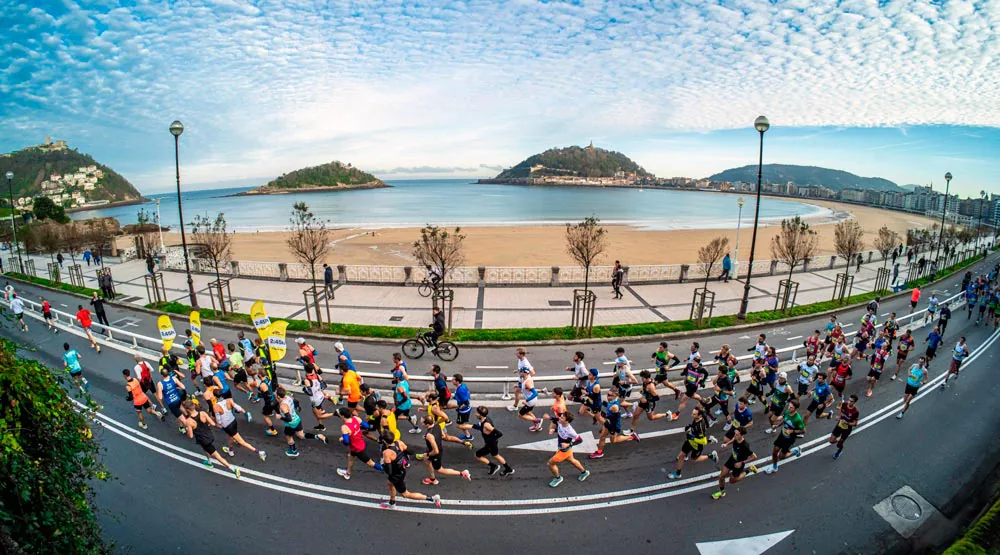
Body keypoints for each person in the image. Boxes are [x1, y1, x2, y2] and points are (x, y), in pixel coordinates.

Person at [378, 429, 442, 509]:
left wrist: (382, 464)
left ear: (384, 441)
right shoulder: (399, 442)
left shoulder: (387, 452)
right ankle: (392, 502)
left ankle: (432, 498)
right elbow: (409, 451)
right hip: (402, 470)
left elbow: (389, 471)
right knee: (390, 484)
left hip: (396, 475)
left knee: (406, 494)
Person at [181, 400, 240, 478]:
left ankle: (233, 469)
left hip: (203, 440)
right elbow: (212, 423)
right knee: (205, 449)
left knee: (217, 456)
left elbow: (191, 436)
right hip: (209, 435)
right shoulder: (202, 413)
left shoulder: (189, 421)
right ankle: (209, 461)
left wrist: (188, 430)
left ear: (187, 410)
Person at [415, 415, 471, 485]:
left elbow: (436, 451)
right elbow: (443, 436)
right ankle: (432, 478)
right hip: (435, 449)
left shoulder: (429, 435)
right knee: (426, 460)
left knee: (440, 470)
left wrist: (427, 454)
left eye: (422, 422)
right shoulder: (437, 425)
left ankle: (462, 473)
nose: (421, 423)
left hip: (435, 453)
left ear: (427, 424)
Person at [667, 407, 718, 479]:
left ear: (699, 415)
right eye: (692, 413)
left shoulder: (700, 426)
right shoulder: (696, 419)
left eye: (694, 414)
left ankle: (711, 456)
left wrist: (693, 438)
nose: (692, 415)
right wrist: (690, 426)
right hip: (689, 442)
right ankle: (678, 473)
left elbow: (703, 441)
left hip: (696, 446)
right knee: (681, 456)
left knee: (694, 459)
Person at [276, 385, 327, 457]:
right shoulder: (288, 397)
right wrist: (297, 407)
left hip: (290, 424)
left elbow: (289, 419)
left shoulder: (283, 406)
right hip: (297, 420)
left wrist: (280, 417)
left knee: (289, 437)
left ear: (278, 396)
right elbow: (296, 401)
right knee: (301, 435)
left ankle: (293, 451)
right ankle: (317, 436)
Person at [214, 395, 267, 462]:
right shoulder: (229, 400)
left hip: (228, 426)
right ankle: (230, 450)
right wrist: (245, 413)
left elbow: (219, 421)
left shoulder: (216, 406)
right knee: (230, 437)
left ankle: (259, 452)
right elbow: (238, 408)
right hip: (233, 421)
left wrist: (218, 425)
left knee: (242, 442)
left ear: (215, 397)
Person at [711, 426, 757, 500]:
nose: (734, 435)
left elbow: (754, 457)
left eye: (737, 434)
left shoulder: (745, 446)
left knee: (732, 481)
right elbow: (733, 439)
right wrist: (727, 444)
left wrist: (741, 462)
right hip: (732, 459)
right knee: (721, 476)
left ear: (741, 435)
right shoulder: (736, 438)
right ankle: (722, 492)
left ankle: (748, 470)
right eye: (735, 434)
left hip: (739, 464)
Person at [546, 412, 590, 487]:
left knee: (550, 463)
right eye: (561, 416)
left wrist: (568, 444)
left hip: (564, 451)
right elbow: (557, 420)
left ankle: (558, 478)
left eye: (562, 418)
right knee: (572, 460)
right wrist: (553, 428)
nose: (560, 418)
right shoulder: (560, 422)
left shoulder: (570, 431)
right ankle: (584, 472)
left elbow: (580, 440)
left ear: (567, 421)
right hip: (564, 449)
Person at [471, 406, 514, 477]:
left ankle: (493, 466)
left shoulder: (486, 424)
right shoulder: (485, 419)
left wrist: (490, 441)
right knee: (496, 455)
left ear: (480, 415)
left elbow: (499, 433)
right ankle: (508, 469)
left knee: (477, 455)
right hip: (492, 444)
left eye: (477, 413)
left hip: (490, 445)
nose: (475, 414)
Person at [764, 399, 804, 474]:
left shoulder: (798, 419)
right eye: (789, 406)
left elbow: (803, 430)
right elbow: (785, 420)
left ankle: (796, 451)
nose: (789, 408)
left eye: (791, 407)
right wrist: (777, 426)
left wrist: (792, 431)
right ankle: (774, 467)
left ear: (795, 408)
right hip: (782, 435)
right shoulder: (787, 412)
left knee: (781, 456)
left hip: (790, 439)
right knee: (775, 451)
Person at [156, 367, 189, 434]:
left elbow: (160, 397)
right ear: (168, 373)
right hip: (178, 399)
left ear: (162, 375)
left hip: (172, 403)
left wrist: (162, 391)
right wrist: (175, 388)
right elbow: (183, 387)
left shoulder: (160, 384)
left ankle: (193, 428)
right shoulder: (173, 378)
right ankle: (181, 427)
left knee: (182, 418)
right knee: (178, 414)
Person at [829, 395, 860, 460]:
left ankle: (839, 450)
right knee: (831, 441)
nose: (849, 402)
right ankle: (840, 441)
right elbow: (841, 410)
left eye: (851, 401)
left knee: (839, 445)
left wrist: (847, 423)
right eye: (849, 400)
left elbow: (855, 423)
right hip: (839, 425)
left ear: (854, 402)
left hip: (847, 429)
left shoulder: (855, 411)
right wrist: (839, 416)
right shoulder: (844, 404)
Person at [509, 347, 535, 412]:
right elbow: (522, 368)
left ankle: (515, 406)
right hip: (522, 379)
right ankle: (516, 406)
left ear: (521, 354)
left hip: (524, 380)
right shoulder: (520, 360)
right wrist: (517, 370)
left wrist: (525, 379)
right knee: (518, 391)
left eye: (517, 353)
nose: (515, 354)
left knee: (518, 391)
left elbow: (533, 372)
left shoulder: (525, 362)